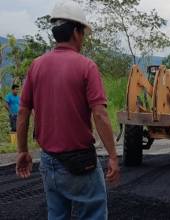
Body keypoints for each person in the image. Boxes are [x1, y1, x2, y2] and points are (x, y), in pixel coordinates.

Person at [15, 1, 119, 219]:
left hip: (48, 161)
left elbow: (23, 112)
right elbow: (100, 115)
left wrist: (22, 151)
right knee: (93, 213)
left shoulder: (36, 66)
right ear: (75, 32)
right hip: (81, 164)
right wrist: (112, 155)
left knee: (57, 215)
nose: (83, 39)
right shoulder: (86, 66)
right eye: (83, 33)